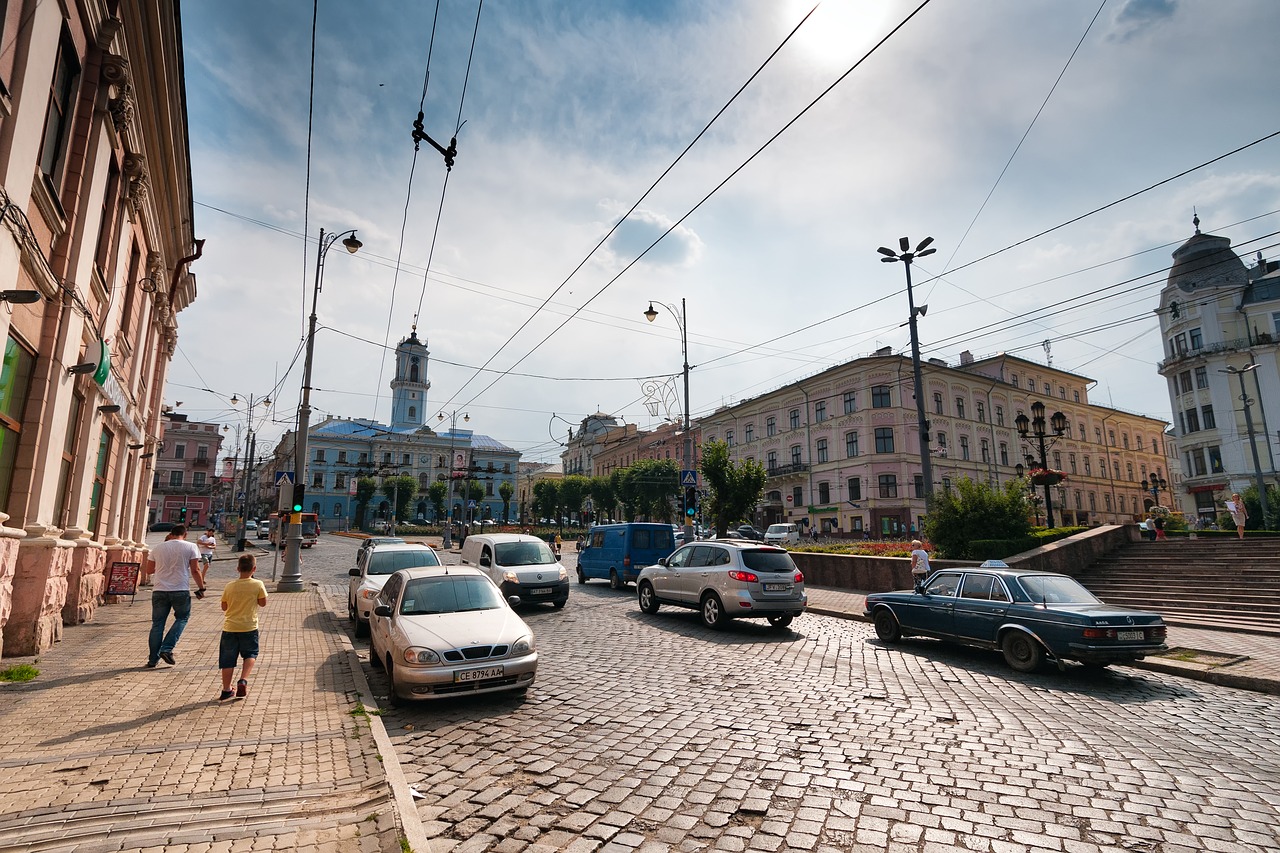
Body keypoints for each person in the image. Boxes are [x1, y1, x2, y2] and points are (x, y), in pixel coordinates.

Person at [142, 524, 205, 668]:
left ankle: (153, 660)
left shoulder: (158, 548)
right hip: (180, 589)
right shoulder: (191, 547)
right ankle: (167, 648)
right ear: (185, 534)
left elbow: (149, 570)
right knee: (182, 618)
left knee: (157, 625)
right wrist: (201, 588)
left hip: (159, 590)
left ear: (171, 534)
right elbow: (195, 570)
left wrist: (165, 566)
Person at [218, 554, 268, 702]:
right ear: (254, 569)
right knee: (250, 654)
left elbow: (224, 606)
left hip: (230, 627)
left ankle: (226, 690)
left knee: (227, 660)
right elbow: (263, 603)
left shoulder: (229, 586)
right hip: (249, 626)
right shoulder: (258, 584)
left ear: (238, 568)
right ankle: (243, 680)